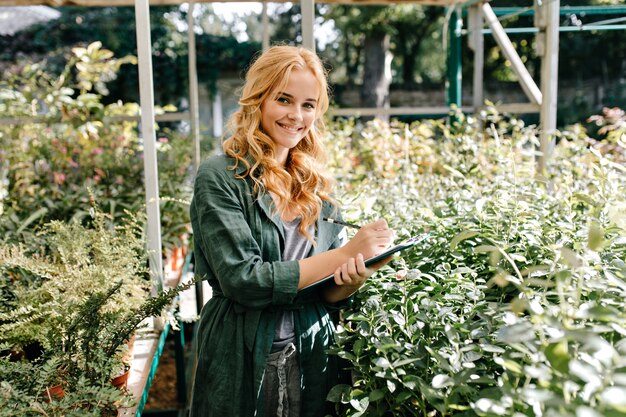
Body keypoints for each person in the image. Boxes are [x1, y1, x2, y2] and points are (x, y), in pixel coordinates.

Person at [189, 45, 395, 417]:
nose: (296, 115)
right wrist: (344, 254)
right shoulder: (221, 177)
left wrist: (353, 276)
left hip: (312, 351)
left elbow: (325, 291)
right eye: (284, 99)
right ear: (258, 99)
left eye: (308, 104)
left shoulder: (316, 186)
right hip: (243, 352)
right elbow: (242, 279)